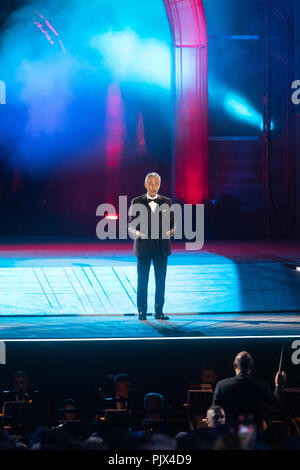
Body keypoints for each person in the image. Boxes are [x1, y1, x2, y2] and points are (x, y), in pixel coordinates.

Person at [128, 172, 174, 321]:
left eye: (156, 184)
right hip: (144, 247)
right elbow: (131, 225)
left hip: (162, 248)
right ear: (145, 184)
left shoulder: (167, 201)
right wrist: (138, 233)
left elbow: (172, 223)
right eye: (150, 183)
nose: (153, 186)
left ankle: (159, 311)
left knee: (161, 281)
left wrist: (172, 231)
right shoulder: (136, 202)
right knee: (143, 280)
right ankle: (142, 311)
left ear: (159, 185)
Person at [211, 351, 286, 429]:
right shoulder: (261, 386)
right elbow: (276, 407)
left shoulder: (222, 385)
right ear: (252, 366)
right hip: (254, 438)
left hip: (231, 437)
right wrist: (279, 385)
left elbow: (213, 412)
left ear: (235, 365)